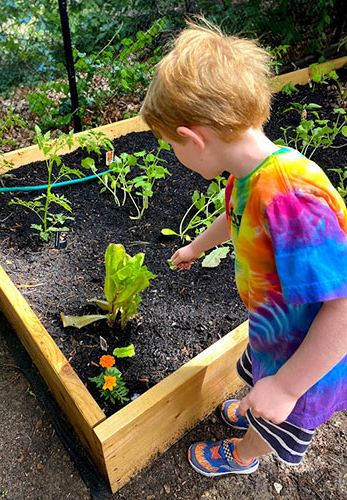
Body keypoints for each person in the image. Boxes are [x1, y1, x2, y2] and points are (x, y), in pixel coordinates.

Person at [140, 18, 347, 477]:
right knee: (262, 383)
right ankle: (261, 402)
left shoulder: (291, 200)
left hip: (308, 355)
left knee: (278, 417)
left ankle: (244, 453)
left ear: (194, 139)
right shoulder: (249, 173)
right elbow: (236, 221)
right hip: (279, 331)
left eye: (171, 144)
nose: (175, 154)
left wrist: (288, 388)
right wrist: (195, 246)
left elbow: (344, 307)